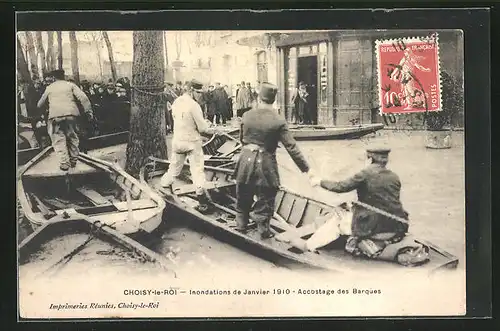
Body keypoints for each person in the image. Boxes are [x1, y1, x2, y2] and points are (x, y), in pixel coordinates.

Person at [310, 148, 430, 266]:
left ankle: (308, 246)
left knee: (338, 218)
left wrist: (319, 181)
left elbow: (340, 187)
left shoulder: (365, 174)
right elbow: (386, 203)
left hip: (374, 227)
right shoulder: (394, 177)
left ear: (369, 158)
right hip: (397, 226)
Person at [233, 82, 315, 239]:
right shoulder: (278, 120)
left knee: (243, 194)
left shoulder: (246, 115)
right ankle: (263, 230)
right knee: (266, 197)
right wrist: (307, 169)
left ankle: (240, 226)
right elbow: (292, 148)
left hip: (245, 161)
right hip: (265, 164)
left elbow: (242, 139)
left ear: (259, 97)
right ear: (274, 99)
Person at [159, 79, 218, 212]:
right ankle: (202, 201)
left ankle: (163, 186)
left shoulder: (177, 102)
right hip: (192, 142)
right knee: (197, 170)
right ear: (191, 91)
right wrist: (212, 128)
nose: (200, 95)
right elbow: (203, 128)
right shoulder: (194, 105)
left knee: (174, 168)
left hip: (178, 141)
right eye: (198, 92)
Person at [36, 69, 94, 171]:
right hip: (72, 115)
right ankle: (73, 160)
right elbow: (84, 98)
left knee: (58, 139)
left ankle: (64, 163)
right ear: (64, 76)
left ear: (54, 78)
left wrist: (44, 112)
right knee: (72, 136)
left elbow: (39, 104)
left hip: (55, 117)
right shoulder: (71, 85)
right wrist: (89, 112)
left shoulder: (49, 88)